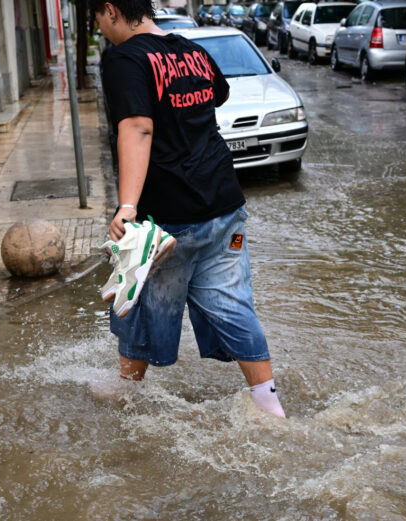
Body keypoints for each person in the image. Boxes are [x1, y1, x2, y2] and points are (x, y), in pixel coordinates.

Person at [92, 0, 286, 418]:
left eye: (97, 21)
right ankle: (269, 405)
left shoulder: (124, 59)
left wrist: (127, 207)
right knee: (234, 305)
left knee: (137, 294)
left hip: (170, 213)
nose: (101, 31)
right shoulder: (193, 51)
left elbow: (138, 127)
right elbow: (219, 94)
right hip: (224, 204)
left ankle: (127, 394)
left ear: (110, 10)